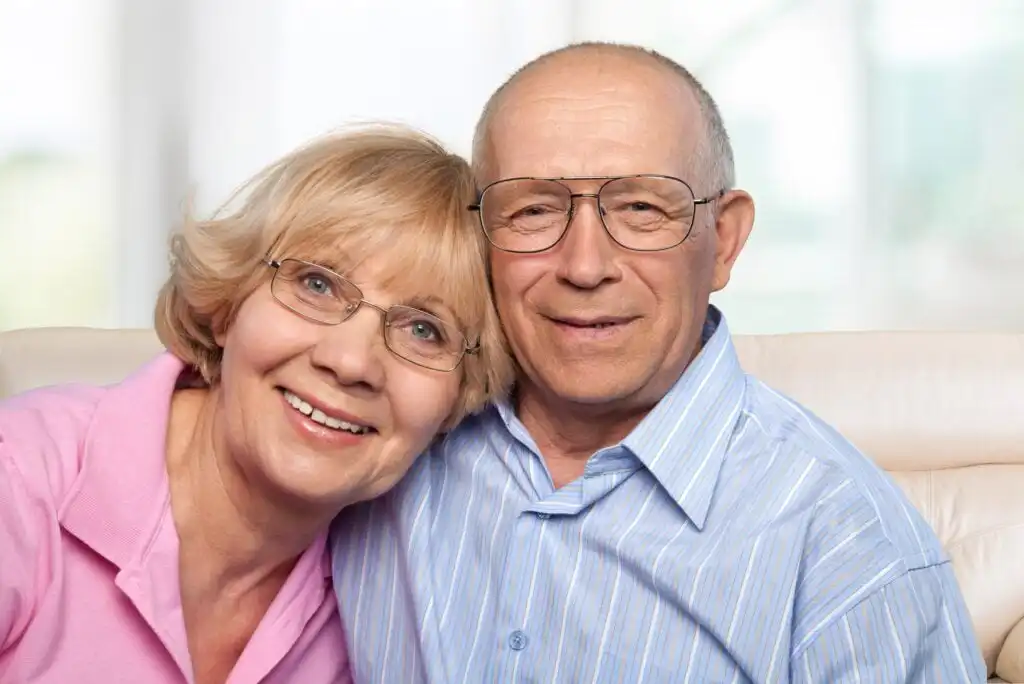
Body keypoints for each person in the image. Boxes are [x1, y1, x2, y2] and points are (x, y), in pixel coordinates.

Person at [330, 43, 986, 682]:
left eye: (641, 208)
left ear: (723, 240)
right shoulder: (381, 437)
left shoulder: (850, 551)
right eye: (532, 210)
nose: (585, 266)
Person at [0, 125, 512, 683]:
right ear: (226, 306)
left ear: (458, 399)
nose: (350, 362)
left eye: (423, 329)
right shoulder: (20, 481)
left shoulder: (397, 603)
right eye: (317, 284)